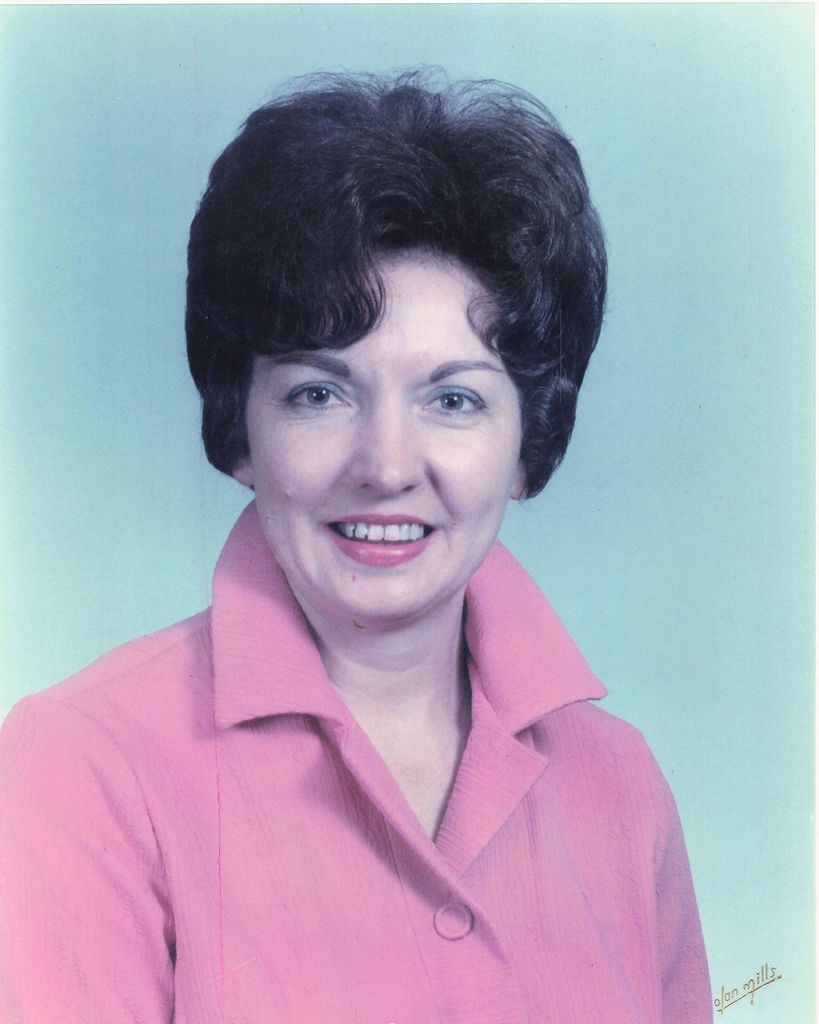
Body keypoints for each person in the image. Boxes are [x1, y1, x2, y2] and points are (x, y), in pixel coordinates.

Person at [0, 71, 710, 1022]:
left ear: (527, 445)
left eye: (453, 399)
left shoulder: (620, 784)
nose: (386, 467)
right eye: (319, 393)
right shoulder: (82, 765)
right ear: (240, 429)